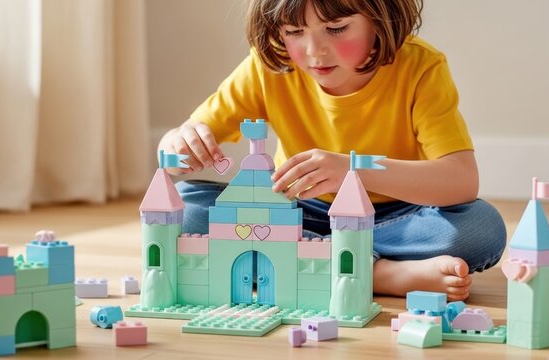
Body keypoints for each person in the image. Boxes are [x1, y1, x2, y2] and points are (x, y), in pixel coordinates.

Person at [158, 0, 506, 301]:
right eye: (294, 31)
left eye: (336, 28)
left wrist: (352, 170)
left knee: (480, 228)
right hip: (290, 212)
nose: (314, 51)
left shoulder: (421, 67)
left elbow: (461, 180)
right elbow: (172, 161)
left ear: (379, 15)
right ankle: (378, 274)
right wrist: (177, 145)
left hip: (394, 217)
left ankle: (312, 261)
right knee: (185, 206)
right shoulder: (268, 66)